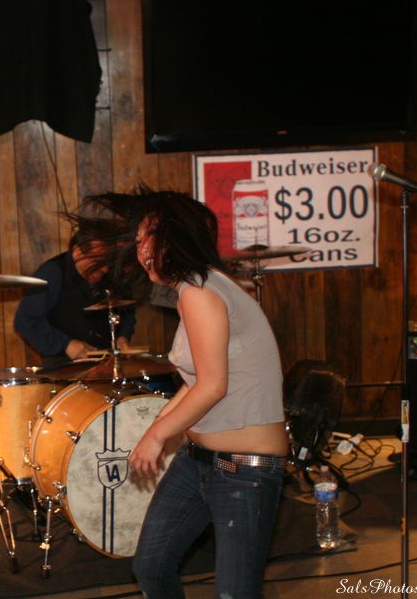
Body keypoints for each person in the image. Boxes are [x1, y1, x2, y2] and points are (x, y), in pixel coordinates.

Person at [79, 188, 289, 598]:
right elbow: (195, 381)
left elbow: (213, 385)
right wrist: (155, 429)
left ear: (177, 237)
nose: (142, 250)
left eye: (149, 238)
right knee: (151, 566)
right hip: (197, 462)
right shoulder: (195, 289)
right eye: (138, 240)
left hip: (244, 471)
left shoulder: (201, 292)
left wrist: (158, 435)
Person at [14, 224, 136, 369]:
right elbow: (25, 320)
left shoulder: (113, 272)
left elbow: (127, 310)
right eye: (98, 262)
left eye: (108, 262)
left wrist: (123, 336)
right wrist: (65, 344)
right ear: (78, 252)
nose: (105, 269)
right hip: (64, 366)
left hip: (107, 364)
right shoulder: (52, 272)